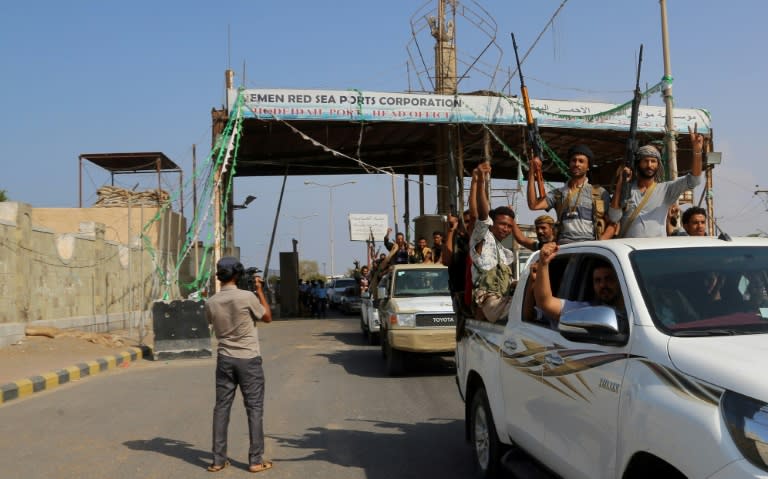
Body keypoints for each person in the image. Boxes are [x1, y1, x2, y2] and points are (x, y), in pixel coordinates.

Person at [205, 256, 273, 474]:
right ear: (237, 275)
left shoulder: (212, 301)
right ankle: (255, 460)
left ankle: (217, 460)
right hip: (249, 360)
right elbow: (267, 317)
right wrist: (259, 291)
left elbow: (210, 322)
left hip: (225, 359)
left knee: (221, 408)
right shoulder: (247, 297)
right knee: (254, 408)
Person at [609, 126, 704, 238]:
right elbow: (614, 217)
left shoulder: (666, 190)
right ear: (638, 164)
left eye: (653, 161)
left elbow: (694, 180)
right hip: (630, 251)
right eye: (645, 161)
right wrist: (621, 183)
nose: (649, 165)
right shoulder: (627, 190)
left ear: (658, 165)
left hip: (654, 251)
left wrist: (697, 151)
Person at [527, 144, 612, 244]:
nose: (576, 164)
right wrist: (532, 172)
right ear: (569, 164)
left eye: (581, 161)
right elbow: (533, 205)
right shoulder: (558, 194)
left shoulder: (599, 193)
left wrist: (599, 244)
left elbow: (613, 224)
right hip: (564, 248)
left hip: (589, 247)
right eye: (573, 160)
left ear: (588, 166)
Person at [470, 162, 517, 323]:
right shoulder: (482, 236)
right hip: (489, 301)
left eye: (510, 226)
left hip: (500, 302)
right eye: (502, 224)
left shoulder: (503, 253)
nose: (506, 229)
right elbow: (481, 213)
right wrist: (480, 181)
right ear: (492, 223)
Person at [533, 242, 625, 323]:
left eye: (609, 279)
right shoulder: (588, 312)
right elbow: (546, 303)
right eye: (597, 280)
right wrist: (544, 263)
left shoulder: (636, 309)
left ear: (620, 281)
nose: (602, 285)